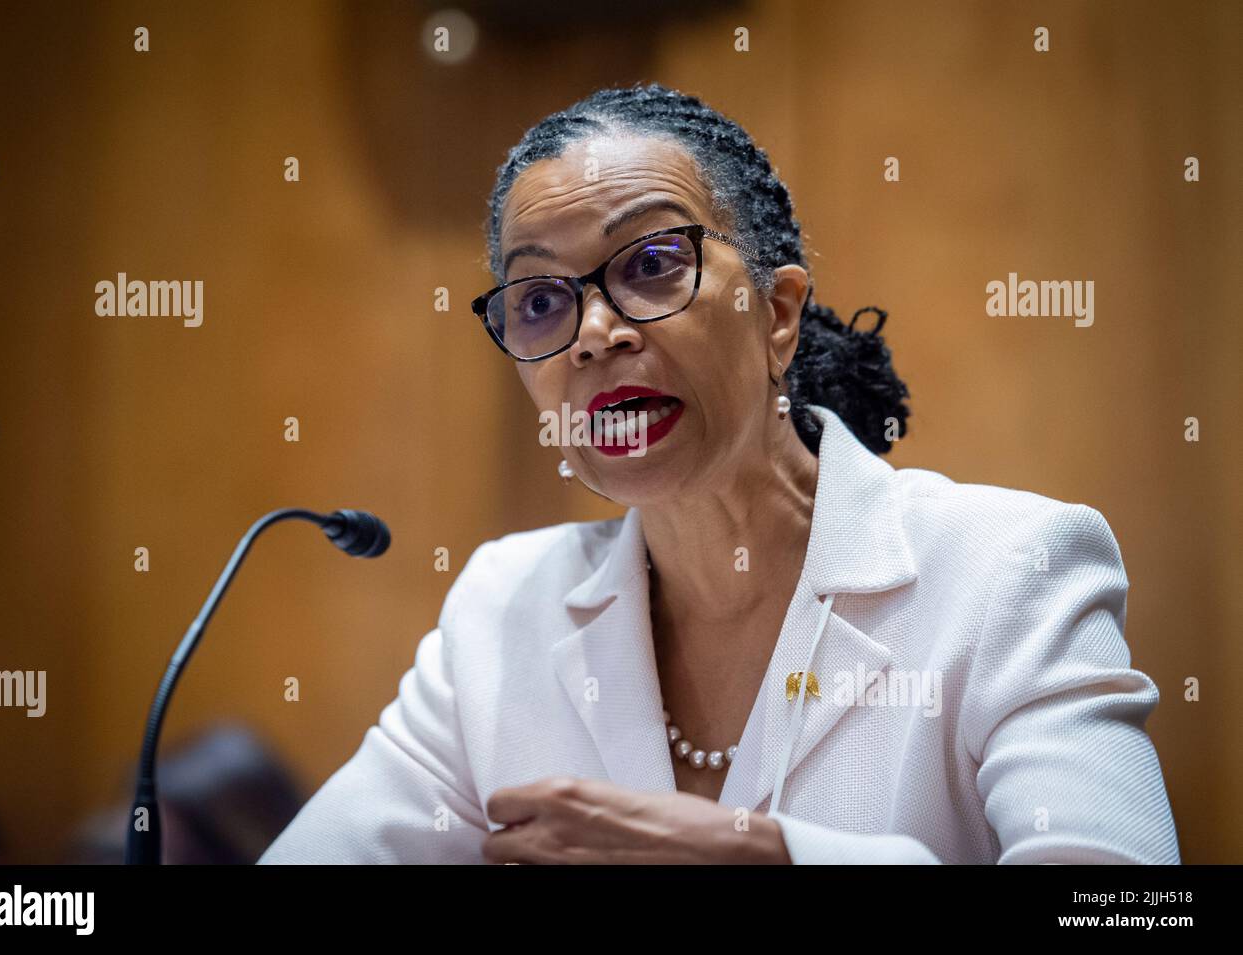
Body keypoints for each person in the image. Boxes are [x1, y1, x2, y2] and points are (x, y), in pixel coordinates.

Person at [259, 82, 1179, 864]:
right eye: (540, 299)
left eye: (654, 264)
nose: (593, 334)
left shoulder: (1008, 570)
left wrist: (772, 855)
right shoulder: (502, 609)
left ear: (778, 314)